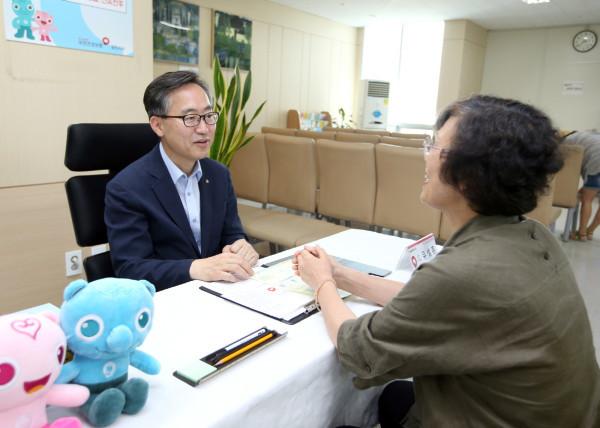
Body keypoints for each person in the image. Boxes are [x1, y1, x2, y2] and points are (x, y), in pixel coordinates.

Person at [293, 95, 600, 427]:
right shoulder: (534, 236)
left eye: (435, 147)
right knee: (396, 397)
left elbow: (359, 352)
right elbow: (429, 302)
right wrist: (341, 274)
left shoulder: (465, 273)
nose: (426, 157)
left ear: (468, 176)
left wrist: (322, 284)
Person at [105, 71, 258, 291]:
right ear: (158, 125)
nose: (204, 129)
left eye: (208, 116)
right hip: (167, 297)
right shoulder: (126, 188)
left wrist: (240, 246)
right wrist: (194, 268)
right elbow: (131, 268)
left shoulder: (219, 175)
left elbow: (232, 233)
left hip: (219, 290)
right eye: (190, 118)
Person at [563, 130, 600, 241]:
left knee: (587, 200)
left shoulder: (568, 141)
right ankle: (590, 232)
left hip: (596, 162)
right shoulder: (589, 135)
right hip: (596, 160)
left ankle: (581, 234)